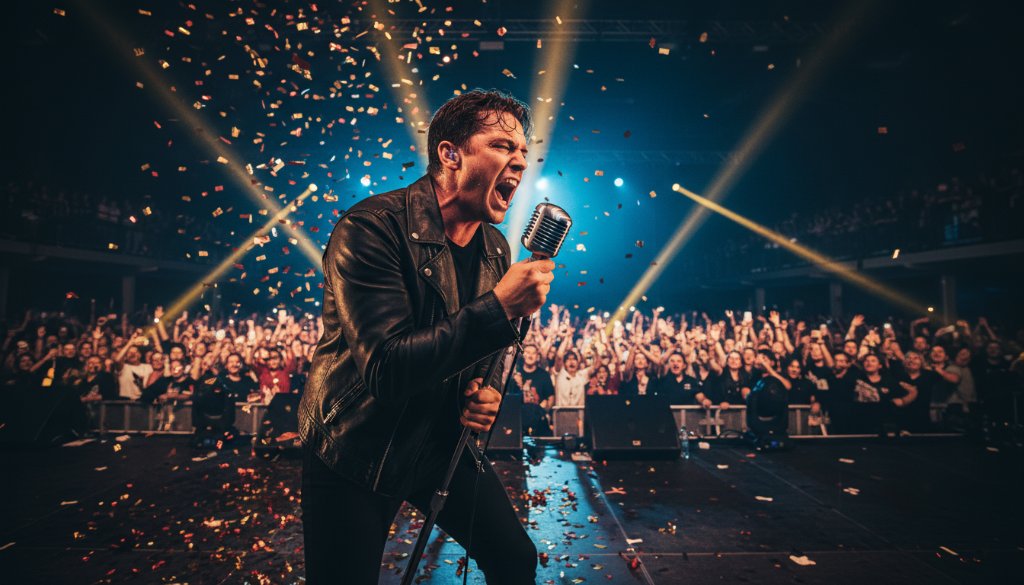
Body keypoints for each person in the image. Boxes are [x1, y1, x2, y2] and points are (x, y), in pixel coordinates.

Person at [299, 90, 546, 584]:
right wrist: (498, 307)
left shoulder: (495, 248)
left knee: (514, 559)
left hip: (437, 439)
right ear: (450, 154)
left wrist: (488, 387)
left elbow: (491, 348)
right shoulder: (371, 229)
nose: (520, 162)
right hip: (356, 444)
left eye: (524, 152)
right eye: (502, 146)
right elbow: (388, 369)